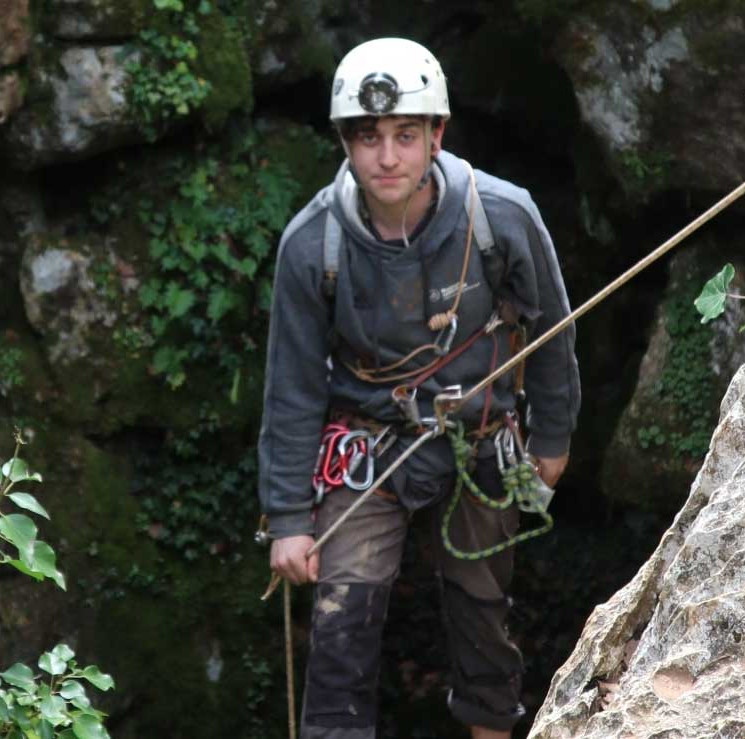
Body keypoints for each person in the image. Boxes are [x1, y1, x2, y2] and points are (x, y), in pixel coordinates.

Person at [257, 37, 581, 739]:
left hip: (481, 437)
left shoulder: (500, 216)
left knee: (482, 615)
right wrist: (286, 516)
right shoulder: (312, 243)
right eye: (368, 137)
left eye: (406, 135)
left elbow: (552, 332)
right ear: (345, 141)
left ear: (437, 133)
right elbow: (290, 384)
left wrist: (551, 438)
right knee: (341, 628)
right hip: (367, 445)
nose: (387, 157)